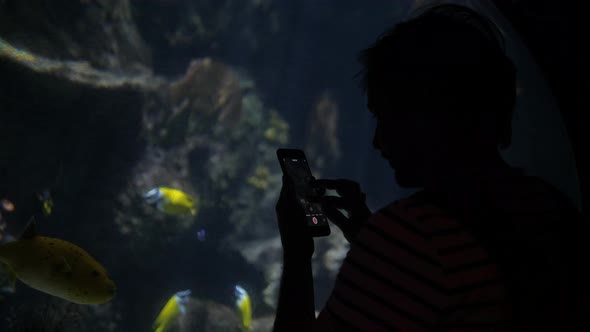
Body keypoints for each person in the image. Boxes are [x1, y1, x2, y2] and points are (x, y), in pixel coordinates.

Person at [273, 4, 587, 332]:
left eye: (387, 116)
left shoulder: (413, 239)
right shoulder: (550, 205)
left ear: (433, 116)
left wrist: (297, 253)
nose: (379, 141)